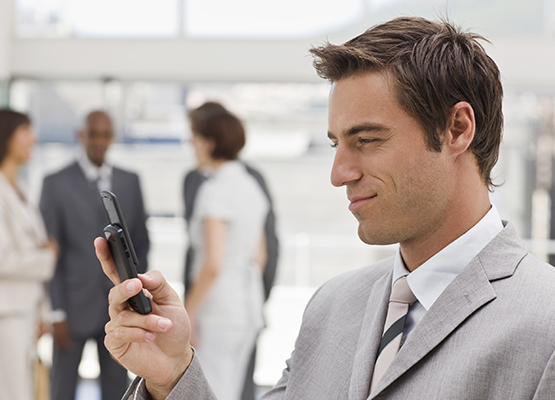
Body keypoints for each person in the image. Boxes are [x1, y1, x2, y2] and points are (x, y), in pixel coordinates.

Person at [95, 16, 555, 400]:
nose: (339, 173)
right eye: (337, 144)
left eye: (367, 140)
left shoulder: (544, 322)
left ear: (457, 129)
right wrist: (170, 375)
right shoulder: (332, 305)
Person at [39, 110, 150, 400]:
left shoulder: (130, 181)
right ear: (81, 135)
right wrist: (56, 312)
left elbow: (141, 244)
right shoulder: (55, 183)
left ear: (112, 137)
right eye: (93, 133)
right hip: (72, 308)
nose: (99, 141)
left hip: (117, 307)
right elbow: (52, 255)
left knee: (118, 389)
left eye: (105, 134)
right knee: (62, 388)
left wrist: (135, 298)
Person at [182, 102, 279, 400]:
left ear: (209, 143)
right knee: (231, 392)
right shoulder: (251, 186)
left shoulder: (214, 190)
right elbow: (259, 258)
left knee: (207, 392)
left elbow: (212, 263)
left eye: (194, 138)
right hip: (246, 308)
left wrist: (186, 314)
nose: (191, 145)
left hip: (217, 311)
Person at [0, 109, 58, 400]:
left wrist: (43, 311)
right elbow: (3, 260)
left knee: (25, 391)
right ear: (4, 138)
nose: (33, 139)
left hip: (24, 309)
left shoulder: (19, 189)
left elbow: (30, 249)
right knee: (9, 393)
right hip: (2, 312)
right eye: (25, 132)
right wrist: (48, 257)